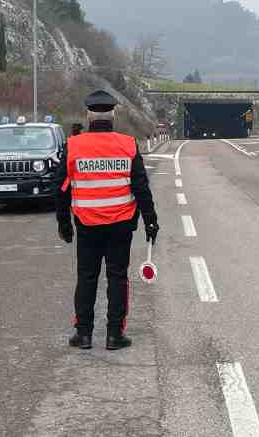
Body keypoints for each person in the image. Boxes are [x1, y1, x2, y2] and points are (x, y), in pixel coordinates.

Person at [55, 90, 159, 351]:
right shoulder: (128, 145)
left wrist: (64, 224)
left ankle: (84, 335)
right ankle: (114, 335)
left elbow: (61, 188)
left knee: (87, 278)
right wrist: (150, 221)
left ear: (89, 116)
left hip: (87, 225)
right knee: (117, 278)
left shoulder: (73, 146)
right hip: (121, 226)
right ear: (113, 115)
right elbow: (141, 187)